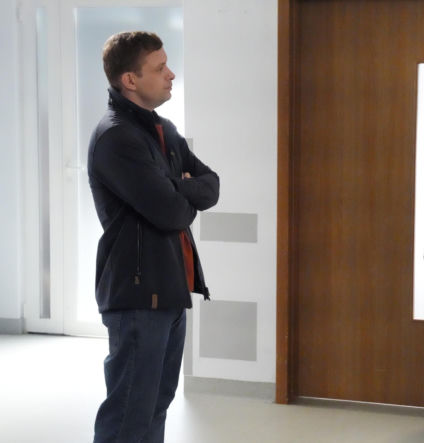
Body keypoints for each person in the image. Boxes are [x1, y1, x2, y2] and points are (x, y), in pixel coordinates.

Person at [88, 31, 219, 442]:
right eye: (160, 68)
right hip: (137, 296)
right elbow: (171, 212)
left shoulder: (164, 131)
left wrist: (174, 187)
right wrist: (181, 190)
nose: (171, 74)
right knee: (129, 413)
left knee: (157, 405)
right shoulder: (117, 137)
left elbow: (211, 185)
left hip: (170, 290)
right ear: (130, 79)